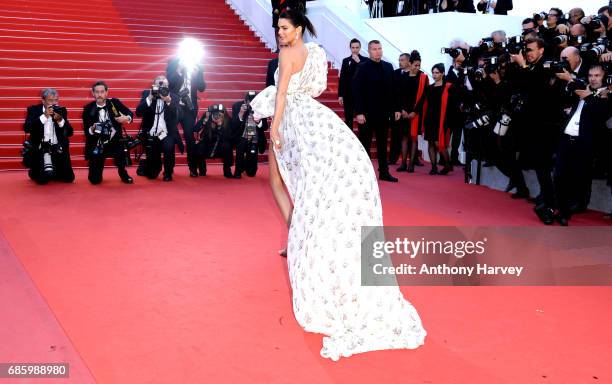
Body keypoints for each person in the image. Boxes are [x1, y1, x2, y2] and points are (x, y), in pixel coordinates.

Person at [250, 9, 425, 361]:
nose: (280, 34)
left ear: (298, 29)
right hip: (318, 123)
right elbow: (318, 88)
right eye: (278, 29)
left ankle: (300, 233)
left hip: (295, 124)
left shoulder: (287, 54)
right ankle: (302, 232)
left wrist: (276, 128)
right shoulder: (313, 53)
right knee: (309, 184)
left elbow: (282, 94)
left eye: (284, 28)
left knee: (280, 180)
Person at [353, 40, 400, 182]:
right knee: (365, 145)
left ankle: (384, 173)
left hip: (384, 114)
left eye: (379, 48)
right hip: (366, 114)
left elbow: (394, 90)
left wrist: (396, 108)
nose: (378, 51)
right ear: (369, 51)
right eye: (374, 49)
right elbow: (357, 90)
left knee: (382, 144)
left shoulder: (388, 67)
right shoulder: (362, 67)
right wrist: (359, 112)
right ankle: (363, 174)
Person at [82, 81, 134, 185]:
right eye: (97, 92)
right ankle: (96, 172)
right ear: (93, 93)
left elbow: (130, 114)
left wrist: (126, 118)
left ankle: (123, 173)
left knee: (120, 153)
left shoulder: (114, 103)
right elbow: (86, 132)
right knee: (94, 180)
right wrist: (91, 130)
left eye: (102, 91)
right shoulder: (88, 109)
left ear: (107, 92)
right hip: (98, 143)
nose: (99, 94)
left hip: (115, 141)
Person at [23, 88, 75, 184]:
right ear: (43, 101)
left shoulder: (61, 110)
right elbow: (27, 128)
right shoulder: (33, 110)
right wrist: (44, 116)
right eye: (50, 100)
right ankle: (35, 170)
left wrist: (60, 121)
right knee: (42, 180)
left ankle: (53, 167)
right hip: (41, 149)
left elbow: (70, 132)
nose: (54, 103)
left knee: (68, 178)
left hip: (57, 148)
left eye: (56, 100)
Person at [135, 75, 180, 181]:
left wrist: (168, 100)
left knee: (169, 146)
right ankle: (155, 167)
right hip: (152, 134)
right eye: (158, 84)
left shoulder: (174, 96)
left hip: (167, 132)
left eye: (164, 85)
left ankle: (168, 172)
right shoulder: (147, 94)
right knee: (151, 175)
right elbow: (138, 113)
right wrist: (150, 98)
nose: (161, 88)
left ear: (168, 86)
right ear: (153, 85)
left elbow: (177, 116)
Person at [167, 54, 206, 177]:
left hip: (189, 108)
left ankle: (193, 168)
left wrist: (197, 73)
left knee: (190, 137)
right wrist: (179, 69)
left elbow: (202, 88)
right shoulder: (173, 64)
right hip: (174, 106)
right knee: (171, 135)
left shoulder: (197, 67)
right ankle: (169, 169)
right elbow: (170, 84)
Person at [418, 63, 456, 175]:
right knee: (430, 143)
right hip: (430, 119)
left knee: (439, 143)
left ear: (442, 73)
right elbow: (421, 102)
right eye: (433, 73)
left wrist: (449, 120)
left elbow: (452, 105)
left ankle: (448, 165)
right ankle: (434, 167)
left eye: (437, 73)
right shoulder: (429, 88)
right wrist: (413, 112)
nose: (434, 75)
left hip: (442, 119)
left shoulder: (448, 87)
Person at [192, 104, 236, 178]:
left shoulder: (227, 119)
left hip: (221, 145)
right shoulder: (207, 117)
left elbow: (229, 136)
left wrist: (220, 125)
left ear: (223, 114)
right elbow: (195, 129)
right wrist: (204, 121)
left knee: (228, 146)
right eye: (215, 114)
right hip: (208, 144)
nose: (217, 116)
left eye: (219, 114)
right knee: (198, 147)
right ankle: (202, 169)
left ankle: (227, 170)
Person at [338, 38, 367, 130]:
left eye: (357, 47)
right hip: (348, 94)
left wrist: (358, 62)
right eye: (353, 47)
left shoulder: (365, 60)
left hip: (361, 95)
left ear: (360, 48)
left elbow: (367, 74)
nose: (355, 49)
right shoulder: (346, 60)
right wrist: (340, 95)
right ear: (350, 48)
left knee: (362, 119)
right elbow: (342, 78)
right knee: (348, 119)